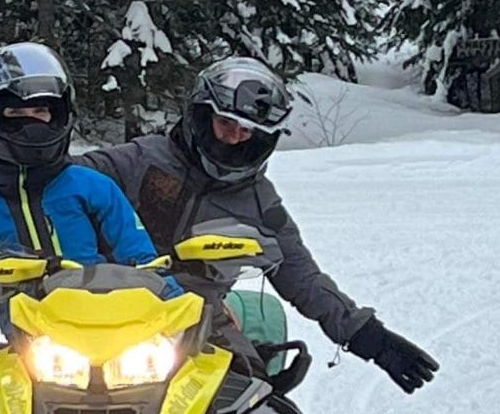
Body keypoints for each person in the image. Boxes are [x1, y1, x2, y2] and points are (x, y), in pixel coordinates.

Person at [81, 57, 438, 393]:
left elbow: (303, 277)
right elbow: (64, 178)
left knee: (255, 401)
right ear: (201, 116)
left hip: (197, 321)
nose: (235, 138)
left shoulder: (260, 205)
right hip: (104, 303)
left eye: (248, 132)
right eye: (226, 125)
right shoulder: (140, 160)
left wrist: (369, 338)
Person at [0, 43, 160, 324]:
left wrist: (180, 313)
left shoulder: (93, 188)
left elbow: (146, 264)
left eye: (40, 110)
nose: (31, 123)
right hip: (30, 350)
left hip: (116, 335)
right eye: (15, 113)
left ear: (59, 112)